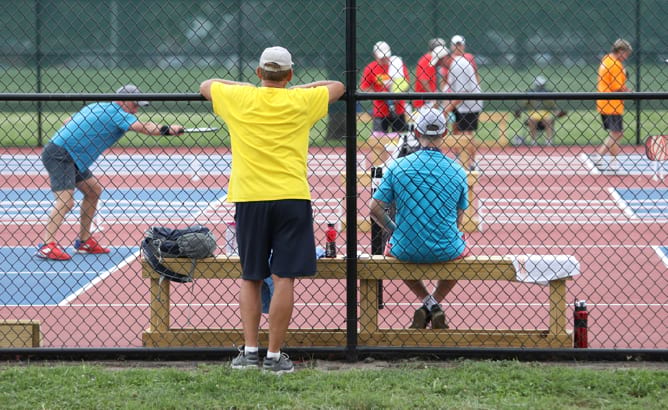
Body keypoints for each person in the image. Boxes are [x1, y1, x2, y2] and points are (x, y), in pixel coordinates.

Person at [199, 46, 344, 374]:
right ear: (290, 75)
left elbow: (206, 84)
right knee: (284, 277)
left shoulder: (241, 98)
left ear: (258, 73)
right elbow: (337, 86)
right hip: (292, 196)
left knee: (251, 276)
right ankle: (275, 356)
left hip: (250, 197)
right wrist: (295, 89)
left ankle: (250, 353)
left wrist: (249, 88)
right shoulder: (299, 101)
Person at [36, 85, 184, 261]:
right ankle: (47, 245)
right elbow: (144, 127)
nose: (136, 109)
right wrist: (168, 130)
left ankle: (84, 241)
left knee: (93, 191)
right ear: (122, 101)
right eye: (134, 104)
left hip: (72, 156)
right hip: (61, 154)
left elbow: (68, 121)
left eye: (138, 105)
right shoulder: (117, 114)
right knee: (66, 201)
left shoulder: (98, 107)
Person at [369, 107, 469, 329]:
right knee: (461, 245)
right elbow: (458, 220)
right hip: (447, 247)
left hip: (405, 246)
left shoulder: (397, 166)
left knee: (394, 248)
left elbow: (374, 208)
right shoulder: (458, 170)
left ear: (416, 133)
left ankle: (427, 303)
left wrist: (395, 229)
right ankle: (434, 303)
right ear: (444, 134)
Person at [360, 41, 411, 164]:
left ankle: (400, 166)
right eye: (381, 57)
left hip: (398, 110)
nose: (384, 60)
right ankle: (379, 168)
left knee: (401, 141)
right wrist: (379, 94)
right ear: (375, 55)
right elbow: (365, 87)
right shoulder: (371, 68)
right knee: (378, 142)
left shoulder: (398, 66)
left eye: (386, 56)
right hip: (380, 111)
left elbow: (405, 84)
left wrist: (396, 92)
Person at [444, 37, 483, 171]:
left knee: (467, 133)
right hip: (462, 104)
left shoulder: (459, 64)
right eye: (455, 45)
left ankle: (470, 162)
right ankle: (465, 160)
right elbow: (449, 87)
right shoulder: (455, 63)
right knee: (460, 131)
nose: (458, 48)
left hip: (469, 104)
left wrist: (447, 108)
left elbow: (463, 91)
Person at [594, 39, 633, 172]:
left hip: (605, 102)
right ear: (621, 51)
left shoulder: (606, 60)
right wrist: (628, 91)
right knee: (617, 132)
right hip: (612, 103)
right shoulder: (615, 65)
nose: (626, 57)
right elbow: (617, 87)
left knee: (616, 133)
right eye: (626, 53)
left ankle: (611, 161)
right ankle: (602, 158)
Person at [514, 76, 566, 146]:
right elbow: (522, 106)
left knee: (548, 120)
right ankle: (533, 140)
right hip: (533, 114)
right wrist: (518, 112)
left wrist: (558, 113)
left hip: (545, 115)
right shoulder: (530, 94)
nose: (540, 88)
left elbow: (554, 108)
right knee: (532, 120)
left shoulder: (548, 96)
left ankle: (549, 141)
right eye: (539, 86)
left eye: (542, 86)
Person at [414, 39, 449, 109]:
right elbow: (423, 80)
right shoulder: (428, 58)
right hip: (425, 101)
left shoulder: (429, 58)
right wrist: (433, 98)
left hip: (426, 99)